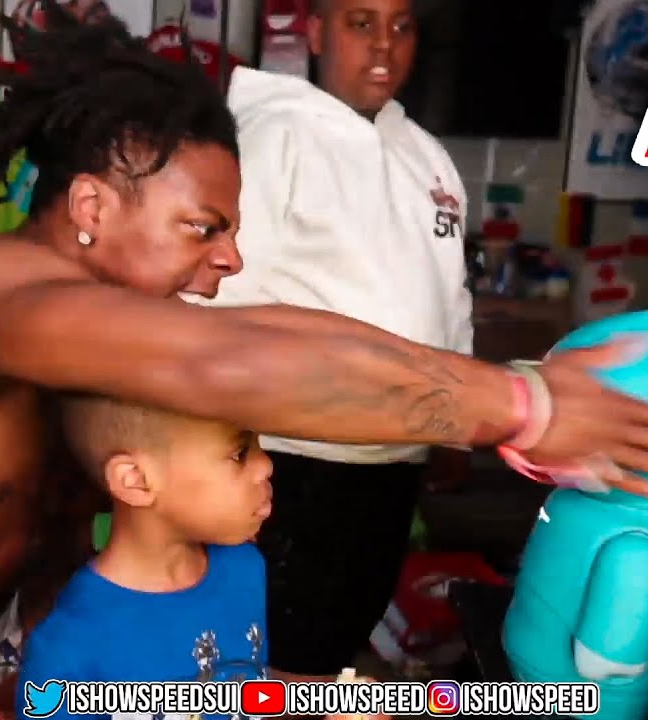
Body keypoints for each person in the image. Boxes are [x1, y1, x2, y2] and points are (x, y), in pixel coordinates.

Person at [0, 18, 648, 720]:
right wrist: (523, 405)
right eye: (202, 228)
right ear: (91, 208)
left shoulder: (100, 331)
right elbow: (232, 357)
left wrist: (37, 673)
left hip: (3, 659)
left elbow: (280, 336)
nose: (226, 263)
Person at [189, 0, 472, 680]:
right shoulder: (270, 136)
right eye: (360, 23)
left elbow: (450, 292)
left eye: (402, 26)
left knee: (337, 638)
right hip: (291, 459)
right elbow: (212, 292)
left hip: (394, 463)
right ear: (316, 32)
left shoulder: (428, 158)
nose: (384, 45)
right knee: (262, 657)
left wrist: (458, 427)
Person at [15, 394, 274, 720]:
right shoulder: (68, 652)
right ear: (136, 480)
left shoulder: (245, 568)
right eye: (239, 453)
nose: (266, 464)